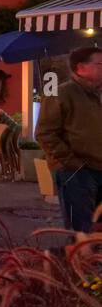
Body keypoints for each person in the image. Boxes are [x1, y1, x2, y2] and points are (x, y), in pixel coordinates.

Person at [37, 46, 102, 233]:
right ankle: (78, 261)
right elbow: (45, 132)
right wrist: (71, 163)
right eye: (100, 64)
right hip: (77, 172)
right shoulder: (60, 93)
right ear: (81, 68)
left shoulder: (97, 94)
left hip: (98, 168)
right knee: (81, 230)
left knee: (97, 230)